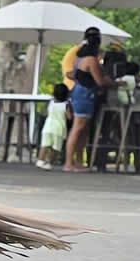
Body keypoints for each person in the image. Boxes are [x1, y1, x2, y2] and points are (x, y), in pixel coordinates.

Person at [62, 30, 119, 172]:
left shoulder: (78, 58)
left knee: (83, 130)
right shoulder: (91, 60)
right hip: (85, 95)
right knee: (77, 128)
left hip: (77, 92)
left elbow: (74, 75)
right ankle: (68, 162)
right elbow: (100, 81)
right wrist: (115, 83)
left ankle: (79, 162)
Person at [36, 83, 68, 171]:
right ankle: (49, 162)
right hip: (59, 129)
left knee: (44, 145)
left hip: (48, 127)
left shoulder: (50, 102)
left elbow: (45, 112)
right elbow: (69, 116)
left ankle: (40, 160)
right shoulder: (66, 105)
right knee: (56, 147)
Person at [61, 27, 100, 91]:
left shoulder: (93, 54)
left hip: (79, 90)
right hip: (75, 88)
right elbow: (68, 74)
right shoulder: (79, 53)